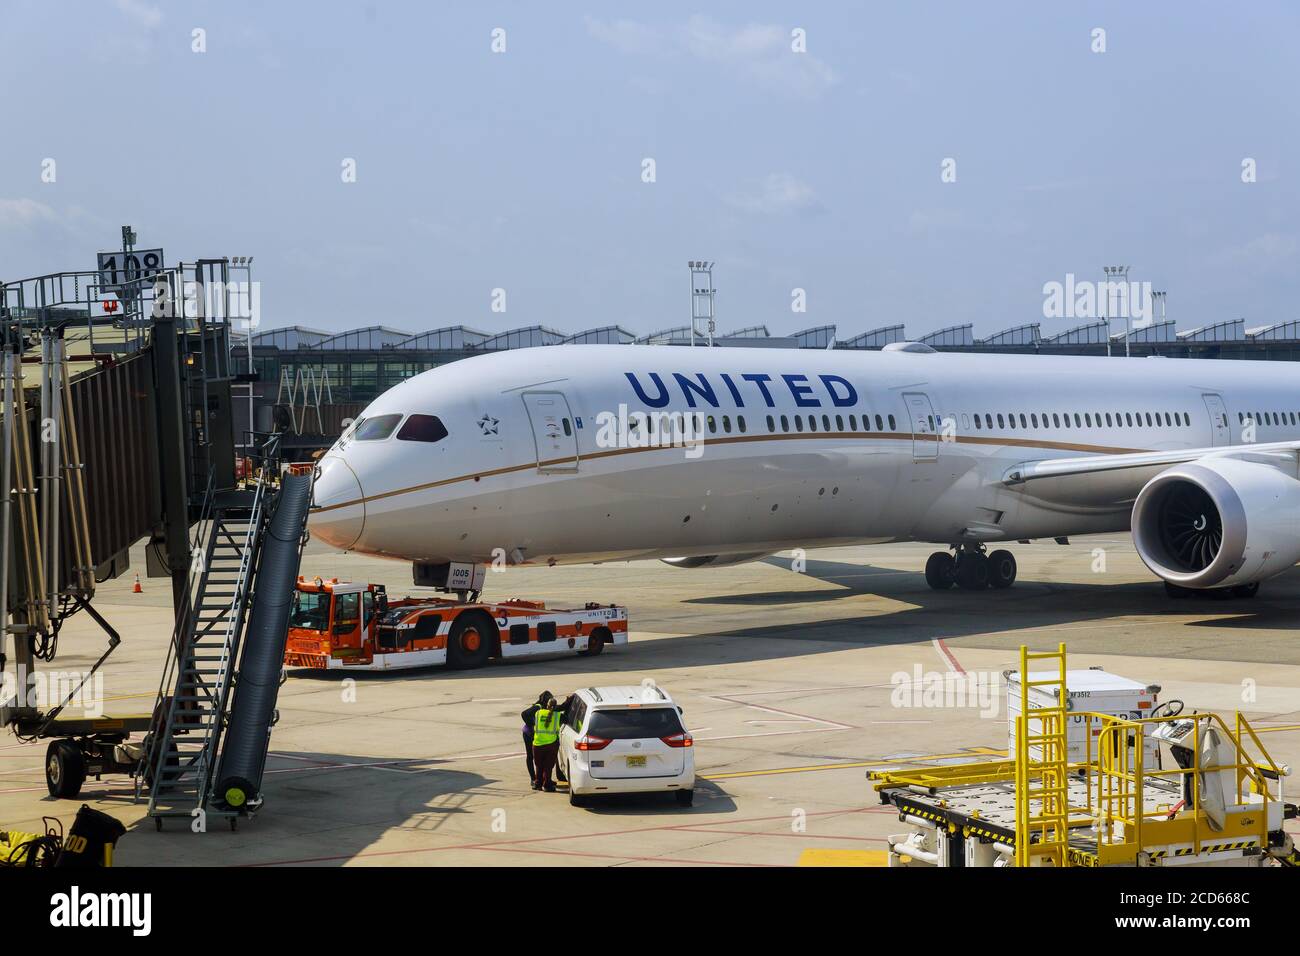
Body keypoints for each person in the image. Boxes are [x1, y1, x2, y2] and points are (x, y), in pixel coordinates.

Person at [531, 693, 565, 792]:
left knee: (539, 765)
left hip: (537, 744)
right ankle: (547, 785)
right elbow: (566, 719)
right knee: (548, 767)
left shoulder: (538, 713)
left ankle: (538, 783)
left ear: (547, 705)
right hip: (551, 744)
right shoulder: (558, 715)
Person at [520, 690, 551, 790]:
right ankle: (533, 779)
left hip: (533, 734)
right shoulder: (538, 707)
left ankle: (541, 778)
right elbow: (524, 714)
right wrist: (532, 725)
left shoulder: (543, 707)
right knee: (530, 756)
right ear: (546, 701)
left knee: (538, 756)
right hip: (528, 734)